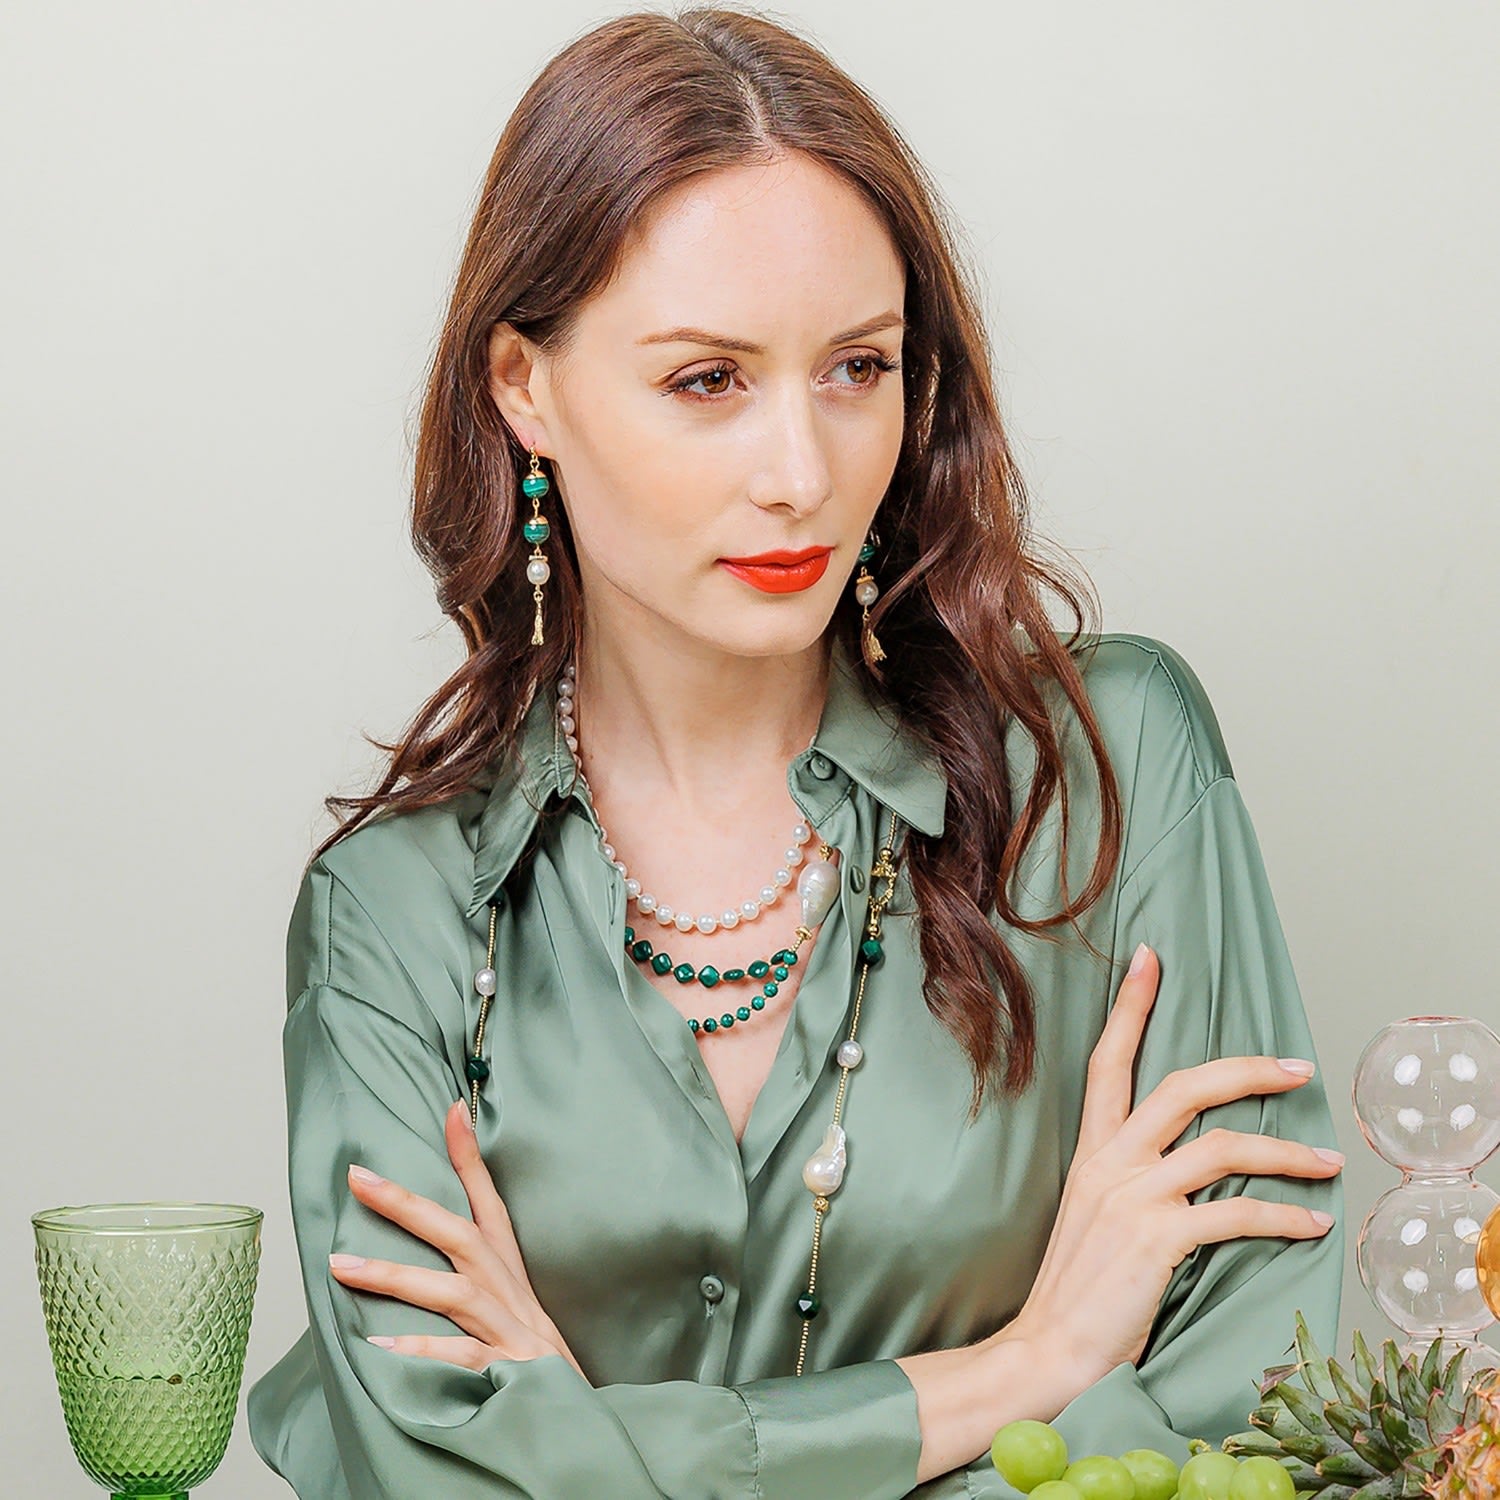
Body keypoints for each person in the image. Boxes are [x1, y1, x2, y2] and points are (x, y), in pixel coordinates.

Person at [245, 7, 1345, 1497]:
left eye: (856, 368)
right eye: (708, 379)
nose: (801, 472)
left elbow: (1252, 1415)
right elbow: (430, 1477)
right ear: (526, 385)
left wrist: (590, 1449)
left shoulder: (1105, 768)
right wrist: (1023, 1372)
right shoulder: (393, 916)